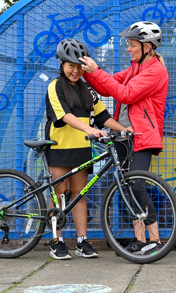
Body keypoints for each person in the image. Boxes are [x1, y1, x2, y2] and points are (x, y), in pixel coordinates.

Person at [79, 21, 169, 256]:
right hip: (125, 135)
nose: (128, 49)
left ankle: (156, 241)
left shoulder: (155, 71)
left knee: (138, 185)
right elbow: (109, 87)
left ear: (147, 46)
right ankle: (140, 240)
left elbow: (125, 94)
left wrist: (96, 71)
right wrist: (88, 75)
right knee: (128, 188)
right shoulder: (135, 68)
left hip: (142, 136)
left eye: (132, 45)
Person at [45, 38, 130, 260]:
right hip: (59, 148)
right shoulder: (55, 86)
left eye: (79, 66)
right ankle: (57, 241)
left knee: (80, 196)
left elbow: (103, 117)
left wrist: (124, 130)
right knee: (60, 196)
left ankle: (82, 241)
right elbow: (64, 115)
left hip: (82, 150)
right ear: (61, 65)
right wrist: (88, 128)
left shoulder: (87, 90)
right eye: (70, 65)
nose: (75, 70)